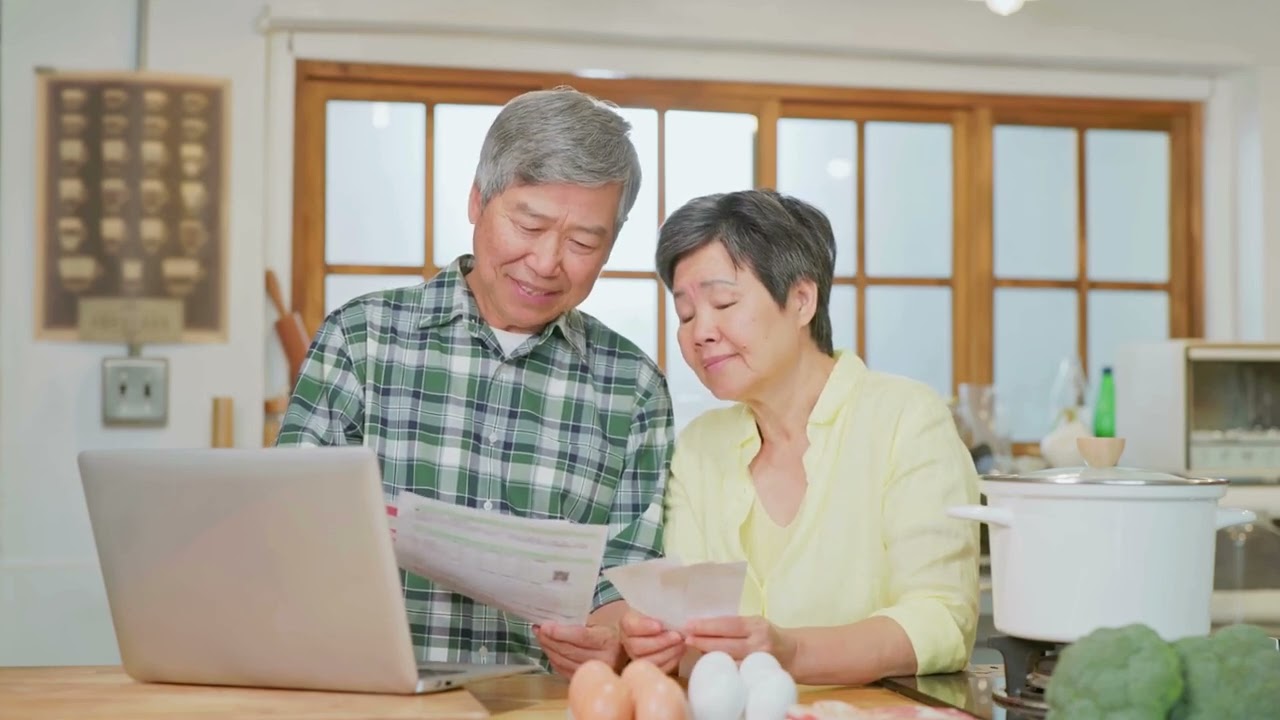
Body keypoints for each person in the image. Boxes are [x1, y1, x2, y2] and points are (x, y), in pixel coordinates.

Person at [275, 87, 674, 678]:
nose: (546, 262)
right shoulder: (361, 340)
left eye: (583, 243)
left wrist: (610, 639)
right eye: (529, 224)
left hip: (545, 705)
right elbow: (288, 531)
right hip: (374, 693)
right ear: (477, 200)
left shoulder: (633, 387)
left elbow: (627, 576)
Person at [618, 189, 980, 685]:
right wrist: (660, 643)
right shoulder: (700, 447)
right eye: (685, 314)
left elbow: (941, 619)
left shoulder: (907, 419)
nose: (700, 332)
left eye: (723, 302)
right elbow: (693, 640)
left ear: (801, 300)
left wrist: (791, 652)